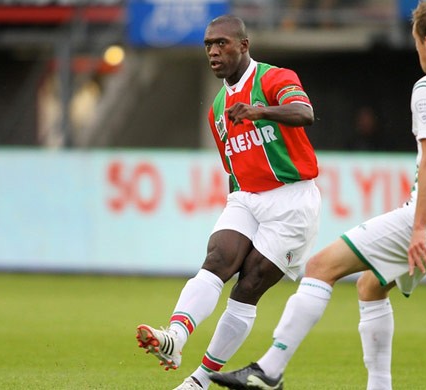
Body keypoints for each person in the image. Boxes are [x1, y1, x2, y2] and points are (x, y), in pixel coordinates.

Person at [210, 2, 426, 389]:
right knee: (369, 285)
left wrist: (418, 229)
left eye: (417, 41)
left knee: (319, 267)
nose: (417, 49)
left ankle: (270, 370)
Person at [135, 14, 322, 390]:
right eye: (208, 45)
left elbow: (305, 114)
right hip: (246, 196)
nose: (214, 51)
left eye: (222, 43)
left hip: (292, 201)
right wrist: (236, 206)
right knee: (218, 258)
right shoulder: (217, 109)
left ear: (244, 46)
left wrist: (260, 111)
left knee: (247, 284)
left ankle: (199, 381)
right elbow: (233, 167)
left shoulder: (274, 78)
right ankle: (175, 337)